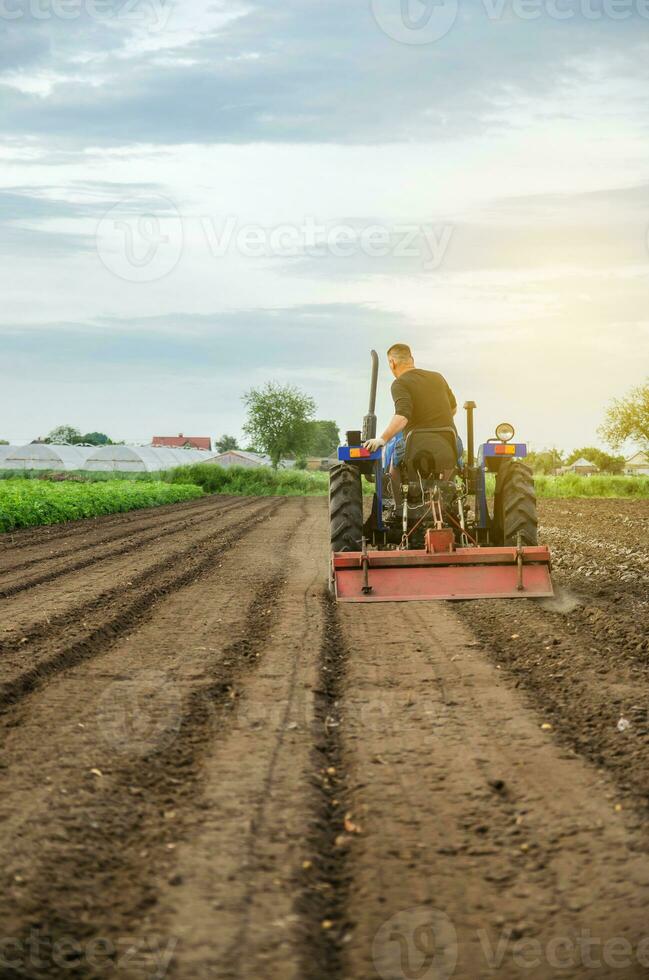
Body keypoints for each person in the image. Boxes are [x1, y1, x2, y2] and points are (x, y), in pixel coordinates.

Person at [364, 343, 459, 501]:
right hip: (449, 441)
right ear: (412, 359)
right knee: (453, 458)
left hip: (417, 444)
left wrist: (382, 439)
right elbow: (453, 409)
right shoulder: (438, 377)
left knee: (394, 459)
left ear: (392, 363)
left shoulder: (400, 383)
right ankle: (444, 497)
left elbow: (402, 416)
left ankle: (397, 506)